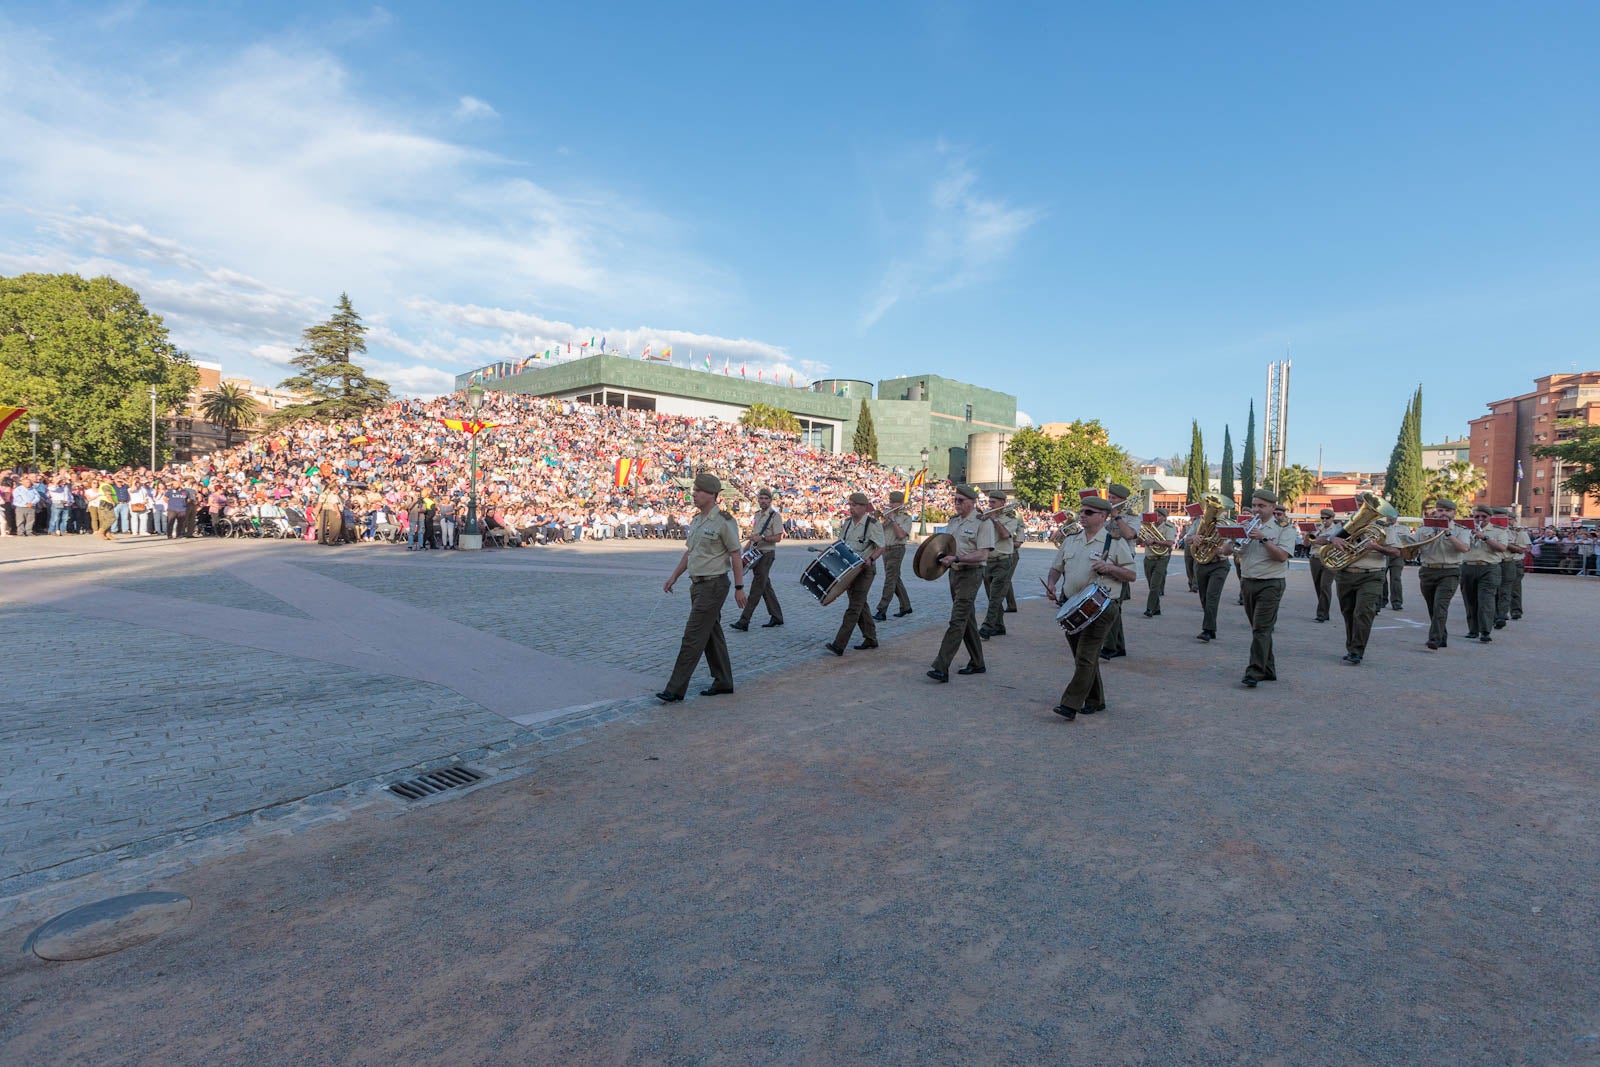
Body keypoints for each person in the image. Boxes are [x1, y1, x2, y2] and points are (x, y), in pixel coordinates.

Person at [1044, 495, 1136, 720]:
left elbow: (1131, 575)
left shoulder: (1113, 542)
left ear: (1103, 517)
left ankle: (1070, 704)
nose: (1082, 516)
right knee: (1083, 657)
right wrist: (1052, 583)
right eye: (1082, 511)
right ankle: (1096, 700)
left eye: (1088, 513)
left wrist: (1109, 568)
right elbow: (1057, 567)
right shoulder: (1071, 540)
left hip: (1102, 606)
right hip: (1071, 606)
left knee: (1085, 657)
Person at [658, 472, 747, 702]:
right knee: (711, 634)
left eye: (699, 491)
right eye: (694, 490)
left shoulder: (724, 521)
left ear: (712, 495)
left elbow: (736, 555)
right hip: (697, 585)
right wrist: (674, 576)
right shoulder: (697, 520)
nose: (694, 494)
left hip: (714, 584)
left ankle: (675, 689)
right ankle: (724, 681)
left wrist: (739, 587)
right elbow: (690, 552)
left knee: (693, 636)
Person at [1220, 489, 1298, 687]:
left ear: (1273, 507)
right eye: (1254, 505)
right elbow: (1227, 551)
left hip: (1271, 583)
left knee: (1261, 629)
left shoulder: (1284, 529)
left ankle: (1254, 672)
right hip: (1247, 581)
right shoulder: (1247, 526)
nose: (1256, 510)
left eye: (1261, 506)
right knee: (1259, 629)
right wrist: (1233, 536)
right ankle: (1268, 669)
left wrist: (1262, 538)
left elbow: (1281, 557)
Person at [927, 485, 995, 683]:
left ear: (973, 502)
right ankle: (977, 662)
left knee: (957, 620)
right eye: (955, 500)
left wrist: (956, 558)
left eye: (961, 501)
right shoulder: (953, 521)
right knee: (967, 618)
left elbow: (983, 554)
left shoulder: (983, 523)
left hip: (971, 573)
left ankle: (941, 666)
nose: (957, 504)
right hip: (954, 574)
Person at [1319, 505, 1401, 665]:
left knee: (1363, 612)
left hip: (1371, 574)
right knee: (1348, 612)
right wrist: (1332, 539)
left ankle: (1357, 651)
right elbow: (1319, 540)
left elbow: (1396, 552)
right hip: (1346, 574)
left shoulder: (1383, 528)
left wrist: (1376, 547)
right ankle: (1352, 648)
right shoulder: (1345, 527)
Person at [824, 492, 886, 655]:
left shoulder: (872, 524)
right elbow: (841, 543)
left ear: (864, 507)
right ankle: (871, 638)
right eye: (850, 505)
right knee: (860, 604)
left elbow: (881, 547)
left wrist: (870, 559)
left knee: (854, 606)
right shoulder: (847, 523)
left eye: (855, 505)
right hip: (849, 569)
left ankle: (839, 644)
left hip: (865, 570)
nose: (851, 508)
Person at [1409, 498, 1471, 650]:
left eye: (1447, 511)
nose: (1443, 514)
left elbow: (1464, 548)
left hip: (1449, 571)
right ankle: (1442, 636)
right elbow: (1411, 549)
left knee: (1440, 606)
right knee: (1432, 607)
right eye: (1440, 510)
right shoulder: (1424, 529)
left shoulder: (1460, 530)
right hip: (1428, 570)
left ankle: (1434, 639)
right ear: (1435, 511)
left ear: (1454, 513)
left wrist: (1449, 534)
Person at [732, 488, 785, 631]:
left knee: (757, 587)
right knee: (765, 586)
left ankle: (744, 621)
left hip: (767, 554)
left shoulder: (775, 516)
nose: (763, 501)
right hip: (755, 552)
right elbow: (755, 535)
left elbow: (778, 537)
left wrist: (762, 538)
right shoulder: (757, 515)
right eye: (761, 498)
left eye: (766, 498)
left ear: (770, 500)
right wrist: (747, 548)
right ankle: (777, 616)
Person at [1099, 484, 1140, 659]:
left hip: (1123, 564)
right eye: (1110, 497)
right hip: (1107, 560)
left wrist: (1117, 517)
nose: (1110, 501)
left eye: (1114, 499)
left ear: (1123, 501)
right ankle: (1118, 646)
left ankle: (1109, 647)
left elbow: (1130, 534)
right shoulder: (1107, 516)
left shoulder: (1131, 517)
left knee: (1111, 605)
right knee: (1113, 605)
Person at [1460, 505, 1509, 642]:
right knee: (1470, 600)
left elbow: (1502, 548)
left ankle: (1485, 631)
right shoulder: (1465, 530)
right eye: (1477, 516)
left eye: (1484, 516)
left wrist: (1485, 537)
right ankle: (1473, 629)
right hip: (1468, 566)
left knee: (1486, 600)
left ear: (1489, 517)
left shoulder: (1498, 531)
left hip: (1489, 568)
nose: (1480, 519)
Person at [979, 491, 1020, 639]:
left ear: (1003, 503)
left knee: (996, 597)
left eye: (993, 502)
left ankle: (987, 627)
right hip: (988, 562)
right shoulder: (986, 517)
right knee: (992, 597)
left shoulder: (1010, 518)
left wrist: (994, 519)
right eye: (989, 502)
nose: (990, 505)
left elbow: (1005, 535)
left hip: (1003, 560)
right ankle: (999, 626)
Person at [873, 491, 914, 621]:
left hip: (897, 549)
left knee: (890, 580)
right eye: (891, 502)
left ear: (901, 503)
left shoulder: (906, 518)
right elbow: (879, 531)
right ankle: (906, 606)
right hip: (886, 550)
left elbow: (901, 535)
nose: (891, 505)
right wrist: (882, 520)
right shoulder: (887, 516)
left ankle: (882, 610)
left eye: (894, 502)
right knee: (895, 578)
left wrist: (893, 520)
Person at [1193, 506, 1232, 643]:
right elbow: (1186, 539)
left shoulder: (1229, 524)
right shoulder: (1200, 523)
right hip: (1202, 563)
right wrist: (1194, 537)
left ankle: (1207, 630)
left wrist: (1223, 549)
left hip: (1219, 564)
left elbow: (1232, 546)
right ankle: (1211, 627)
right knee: (1204, 598)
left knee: (1212, 596)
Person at [1140, 509, 1177, 617]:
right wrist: (1142, 538)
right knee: (1151, 585)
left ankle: (1150, 609)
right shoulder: (1149, 526)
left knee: (1155, 585)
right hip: (1148, 557)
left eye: (1160, 516)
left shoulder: (1169, 527)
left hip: (1161, 558)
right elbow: (1139, 540)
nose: (1157, 518)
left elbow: (1170, 543)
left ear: (1165, 517)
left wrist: (1155, 541)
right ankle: (1157, 609)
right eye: (1156, 515)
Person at [1498, 510, 1531, 622]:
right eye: (1505, 519)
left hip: (1515, 561)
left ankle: (1516, 610)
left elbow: (1526, 548)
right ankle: (1501, 611)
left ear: (1514, 520)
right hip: (1499, 561)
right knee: (1500, 588)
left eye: (1510, 519)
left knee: (1515, 588)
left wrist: (1509, 545)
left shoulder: (1519, 532)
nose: (1508, 522)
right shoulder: (1498, 530)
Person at [1307, 508, 1338, 622]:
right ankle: (1324, 611)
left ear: (1332, 518)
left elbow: (1326, 541)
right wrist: (1307, 535)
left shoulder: (1336, 529)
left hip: (1330, 558)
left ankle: (1322, 614)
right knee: (1318, 586)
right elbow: (1306, 543)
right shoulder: (1317, 529)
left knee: (1325, 586)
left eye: (1327, 518)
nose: (1324, 520)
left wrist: (1316, 539)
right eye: (1322, 518)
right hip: (1315, 558)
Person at [1379, 514, 1410, 611]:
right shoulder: (1381, 526)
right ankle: (1382, 601)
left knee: (1396, 579)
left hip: (1398, 555)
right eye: (1389, 516)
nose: (1391, 518)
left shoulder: (1404, 528)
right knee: (1382, 578)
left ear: (1397, 517)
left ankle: (1397, 602)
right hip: (1384, 553)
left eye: (1393, 516)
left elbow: (1406, 541)